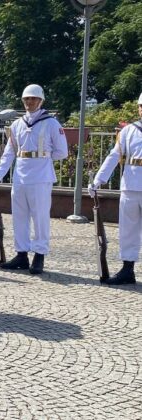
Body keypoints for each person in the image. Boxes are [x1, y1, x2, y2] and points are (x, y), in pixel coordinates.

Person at [0, 84, 68, 274]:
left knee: (40, 216)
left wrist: (43, 156)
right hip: (21, 174)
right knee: (19, 216)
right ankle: (22, 253)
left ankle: (39, 254)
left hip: (41, 175)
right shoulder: (17, 124)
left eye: (33, 99)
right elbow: (9, 153)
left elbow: (62, 152)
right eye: (26, 99)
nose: (29, 102)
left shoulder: (51, 123)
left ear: (41, 101)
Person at [88, 92, 142, 285]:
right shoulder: (129, 131)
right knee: (127, 230)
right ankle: (127, 269)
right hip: (130, 185)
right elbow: (113, 156)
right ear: (138, 108)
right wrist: (98, 180)